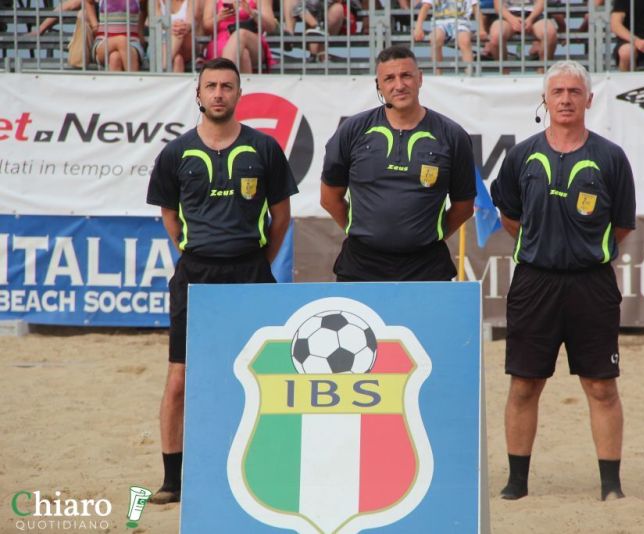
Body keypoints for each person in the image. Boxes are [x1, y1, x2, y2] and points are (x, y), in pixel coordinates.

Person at [145, 57, 297, 504]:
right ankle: (173, 479)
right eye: (210, 86)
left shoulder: (264, 149)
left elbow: (281, 216)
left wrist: (255, 260)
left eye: (226, 86)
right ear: (198, 94)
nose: (217, 93)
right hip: (196, 275)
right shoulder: (176, 153)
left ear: (238, 94)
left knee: (264, 372)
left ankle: (267, 467)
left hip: (251, 271)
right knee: (180, 379)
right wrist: (198, 255)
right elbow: (170, 216)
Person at [490, 60, 636, 501]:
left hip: (591, 284)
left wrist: (582, 250)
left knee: (601, 386)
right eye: (558, 92)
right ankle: (517, 482)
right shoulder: (521, 156)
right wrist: (544, 246)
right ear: (545, 100)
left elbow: (622, 225)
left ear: (589, 100)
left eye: (575, 91)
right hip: (535, 282)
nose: (567, 99)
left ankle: (611, 486)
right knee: (524, 384)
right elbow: (511, 217)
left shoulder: (611, 157)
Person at [319, 45, 476, 282]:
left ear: (420, 79)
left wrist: (427, 235)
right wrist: (363, 232)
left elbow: (464, 205)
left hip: (426, 266)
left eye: (406, 76)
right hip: (361, 265)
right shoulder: (353, 130)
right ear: (378, 85)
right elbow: (329, 197)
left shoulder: (452, 135)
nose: (399, 85)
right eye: (389, 78)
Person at [413, 0, 488, 75]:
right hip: (439, 23)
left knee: (465, 40)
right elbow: (425, 7)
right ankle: (437, 74)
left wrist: (481, 29)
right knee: (435, 39)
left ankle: (469, 73)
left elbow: (476, 8)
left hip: (461, 22)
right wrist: (418, 27)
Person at [203, 0, 278, 73]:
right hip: (221, 41)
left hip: (251, 40)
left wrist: (252, 13)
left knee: (240, 34)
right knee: (244, 55)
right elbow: (206, 29)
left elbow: (271, 26)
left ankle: (225, 78)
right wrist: (219, 17)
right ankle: (238, 83)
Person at [485, 0, 558, 65]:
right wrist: (512, 20)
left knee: (550, 32)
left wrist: (530, 19)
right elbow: (498, 5)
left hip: (534, 15)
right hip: (508, 15)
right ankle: (504, 71)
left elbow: (541, 3)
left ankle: (543, 70)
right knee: (496, 36)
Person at [88, 0, 146, 71]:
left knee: (115, 58)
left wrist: (140, 30)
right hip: (103, 41)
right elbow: (88, 2)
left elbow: (144, 8)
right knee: (121, 40)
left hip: (132, 42)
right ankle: (136, 80)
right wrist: (94, 25)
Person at [155, 0, 201, 72]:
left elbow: (190, 22)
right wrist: (170, 28)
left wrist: (183, 27)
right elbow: (158, 22)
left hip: (186, 41)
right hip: (162, 42)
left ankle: (162, 67)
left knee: (179, 31)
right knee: (178, 59)